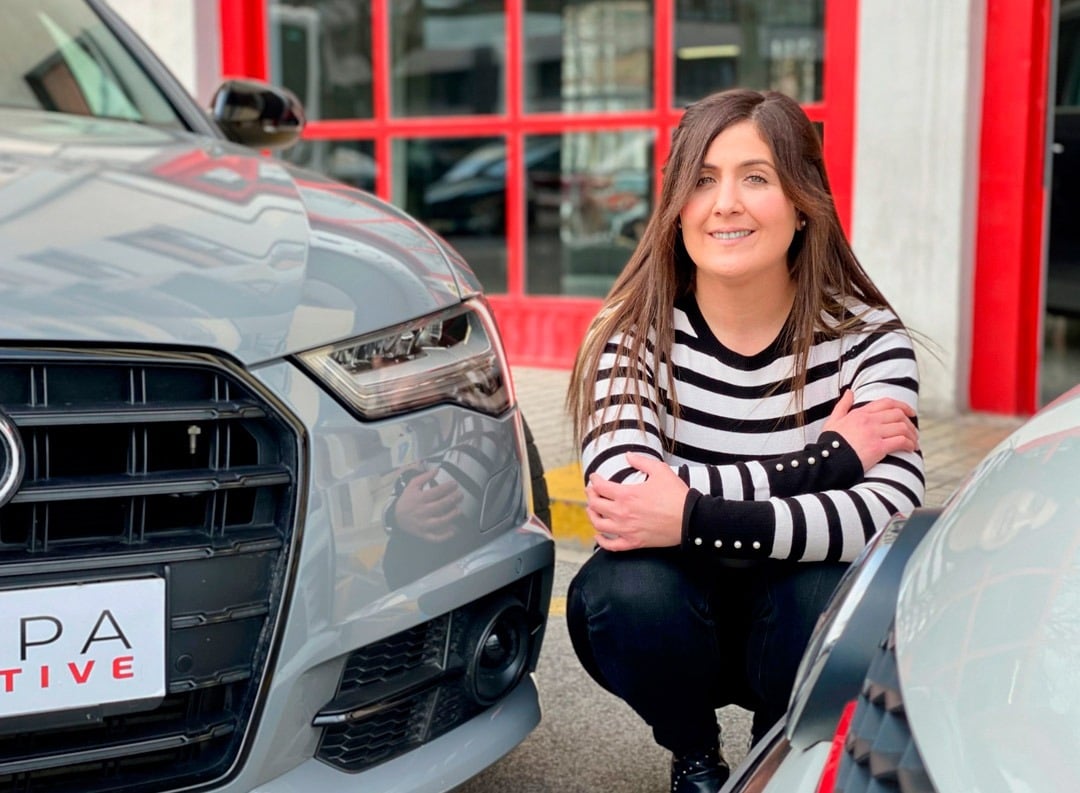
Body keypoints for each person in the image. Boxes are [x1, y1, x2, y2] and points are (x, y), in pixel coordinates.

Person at [564, 88, 925, 793]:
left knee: (836, 585)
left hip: (792, 614)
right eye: (702, 179)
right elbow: (625, 504)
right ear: (675, 205)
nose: (724, 203)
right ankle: (694, 755)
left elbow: (889, 517)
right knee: (623, 590)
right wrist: (828, 461)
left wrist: (693, 512)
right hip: (678, 607)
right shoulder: (631, 336)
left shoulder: (867, 336)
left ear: (802, 201)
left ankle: (778, 747)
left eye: (755, 177)